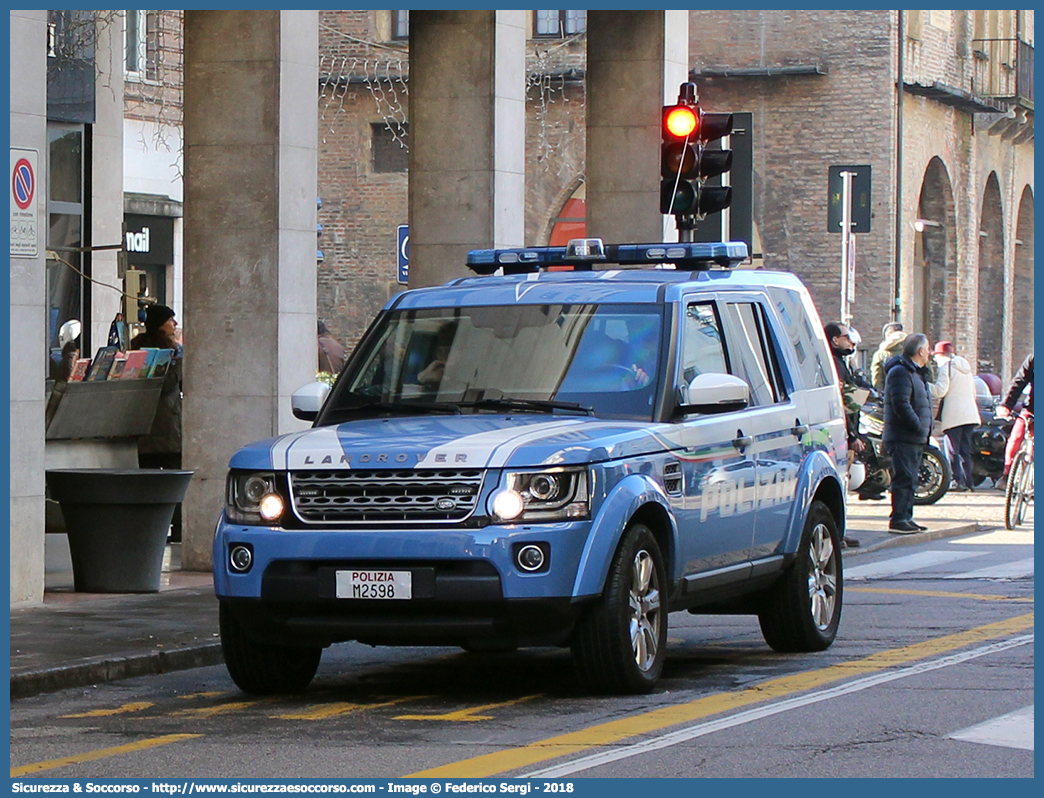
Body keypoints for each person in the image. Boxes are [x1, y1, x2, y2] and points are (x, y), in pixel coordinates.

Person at [131, 304, 183, 539]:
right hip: (165, 425)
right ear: (161, 323)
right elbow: (170, 385)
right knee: (173, 480)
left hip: (145, 426)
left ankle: (151, 529)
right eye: (170, 320)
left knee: (149, 481)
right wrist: (178, 362)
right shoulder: (171, 353)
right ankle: (176, 527)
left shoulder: (136, 347)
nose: (174, 324)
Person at [824, 322, 873, 545]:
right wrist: (852, 435)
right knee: (839, 483)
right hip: (840, 432)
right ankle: (836, 534)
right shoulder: (833, 364)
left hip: (845, 428)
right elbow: (842, 403)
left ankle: (839, 532)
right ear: (835, 340)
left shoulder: (842, 362)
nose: (851, 342)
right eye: (846, 337)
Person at [882, 333, 933, 533]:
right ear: (920, 351)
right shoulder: (900, 372)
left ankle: (906, 517)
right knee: (904, 478)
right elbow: (900, 404)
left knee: (911, 478)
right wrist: (918, 425)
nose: (929, 353)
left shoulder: (916, 373)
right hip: (903, 435)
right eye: (927, 349)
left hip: (914, 436)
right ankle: (898, 519)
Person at [931, 341, 981, 492]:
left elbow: (941, 391)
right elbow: (973, 392)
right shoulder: (965, 367)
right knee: (965, 450)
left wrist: (924, 385)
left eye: (936, 356)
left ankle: (956, 480)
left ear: (941, 355)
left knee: (952, 449)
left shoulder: (946, 367)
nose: (934, 360)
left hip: (954, 415)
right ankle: (969, 481)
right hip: (970, 414)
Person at [996, 353, 1034, 478]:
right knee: (1016, 437)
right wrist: (1006, 405)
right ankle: (1007, 475)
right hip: (1032, 409)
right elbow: (1019, 381)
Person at [870, 322, 905, 391]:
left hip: (890, 395)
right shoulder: (913, 349)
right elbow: (928, 373)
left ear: (888, 335)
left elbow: (877, 380)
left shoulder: (879, 355)